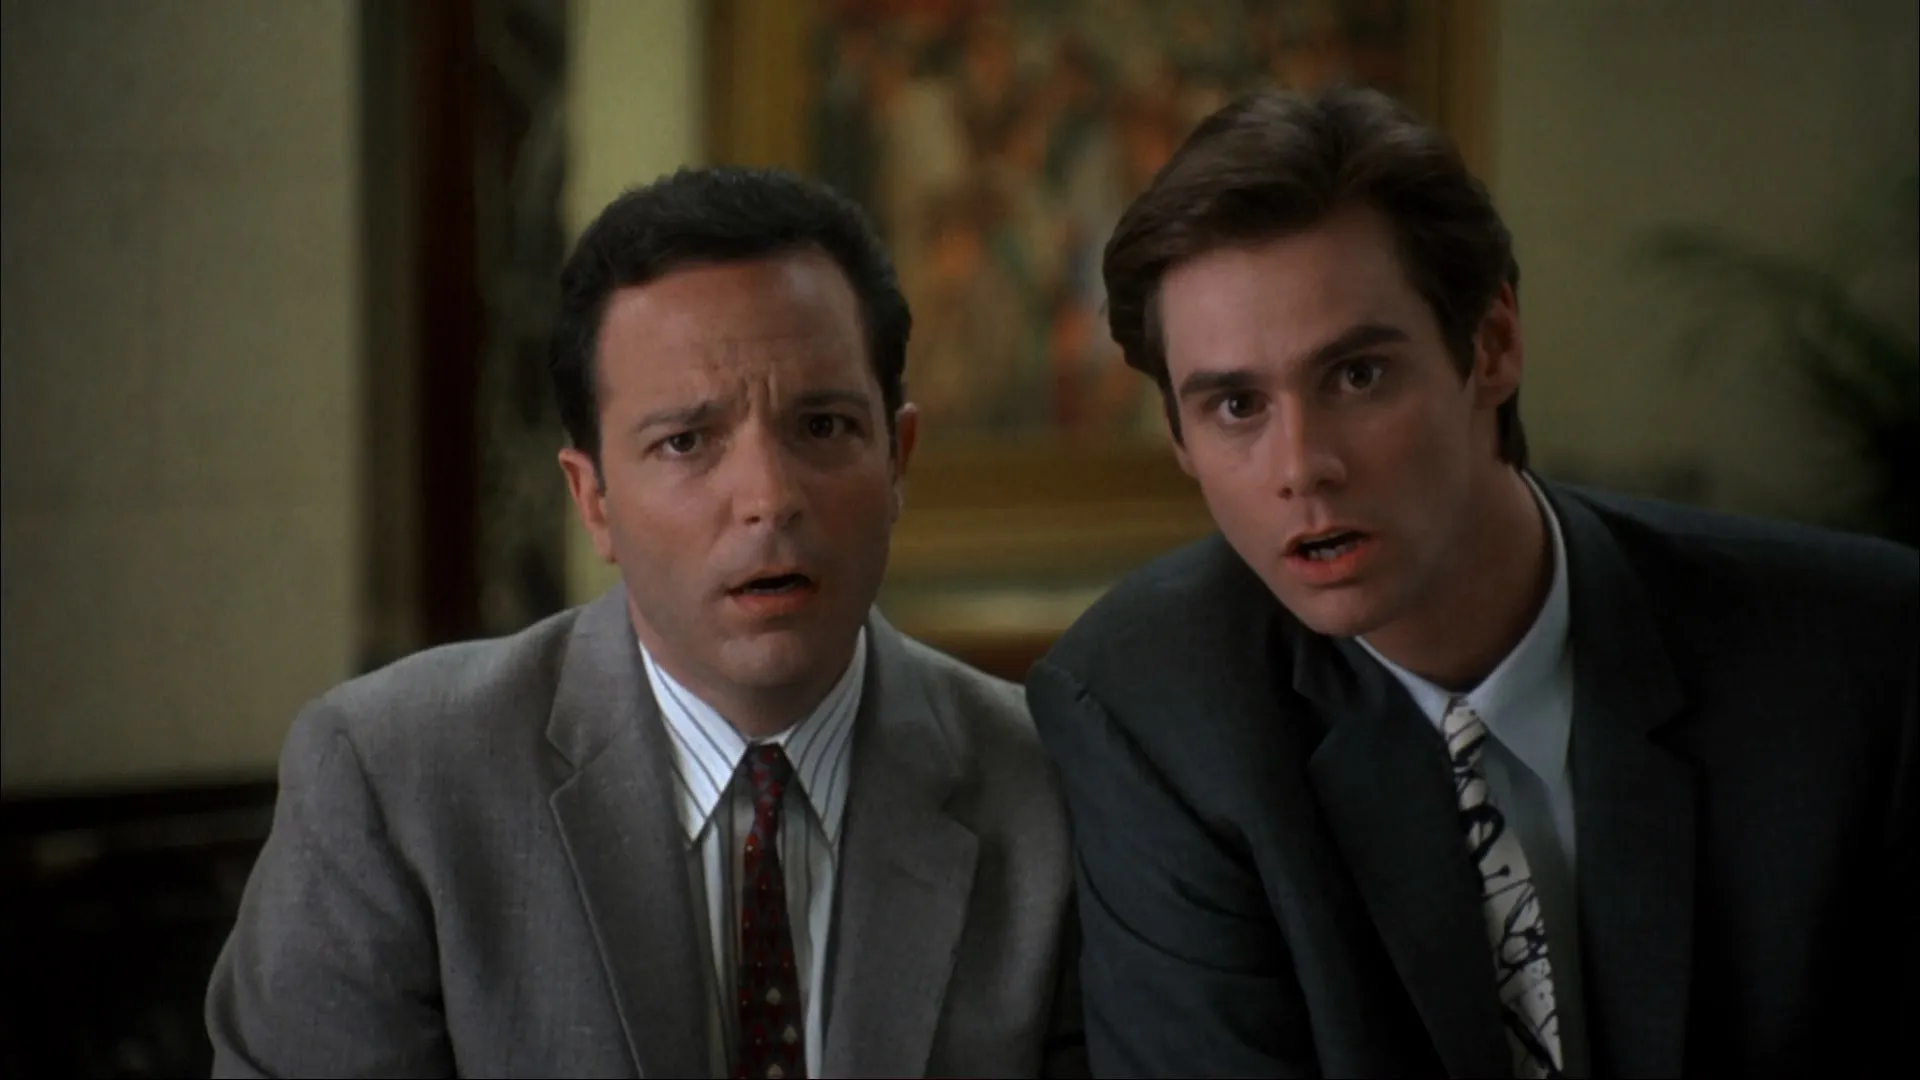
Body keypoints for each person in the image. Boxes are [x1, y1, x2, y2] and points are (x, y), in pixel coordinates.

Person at [1026, 86, 1918, 1078]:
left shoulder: (1861, 656)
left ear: (1491, 346)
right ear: (1179, 438)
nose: (1302, 466)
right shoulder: (1154, 709)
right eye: (1236, 406)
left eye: (1358, 375)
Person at [208, 166, 1084, 1078]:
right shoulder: (394, 782)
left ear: (898, 461)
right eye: (686, 442)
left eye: (823, 427)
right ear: (593, 500)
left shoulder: (1046, 789)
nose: (769, 497)